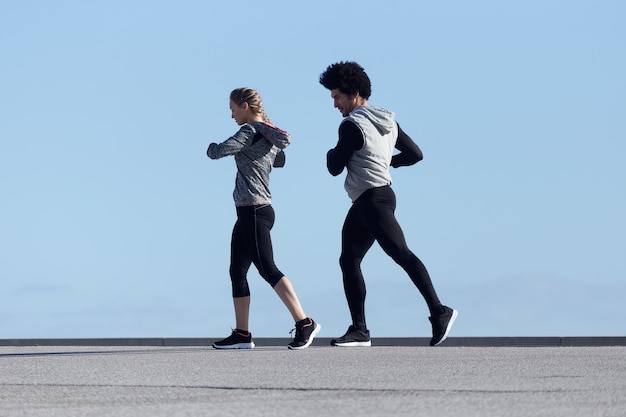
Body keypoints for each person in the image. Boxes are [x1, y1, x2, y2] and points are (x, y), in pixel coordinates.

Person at [319, 62, 457, 347]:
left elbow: (334, 167)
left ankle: (439, 311)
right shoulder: (387, 121)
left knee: (401, 254)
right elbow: (415, 154)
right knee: (349, 260)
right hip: (373, 198)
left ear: (354, 93)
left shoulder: (351, 125)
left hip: (371, 200)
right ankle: (359, 330)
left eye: (337, 97)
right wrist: (387, 161)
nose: (334, 104)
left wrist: (331, 152)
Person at [207, 87, 320, 350]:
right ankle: (242, 334)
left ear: (245, 106)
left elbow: (219, 151)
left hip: (254, 210)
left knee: (267, 268)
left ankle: (305, 322)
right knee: (237, 271)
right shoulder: (268, 133)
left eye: (233, 109)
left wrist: (211, 147)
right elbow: (279, 160)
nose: (232, 115)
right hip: (252, 210)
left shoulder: (249, 131)